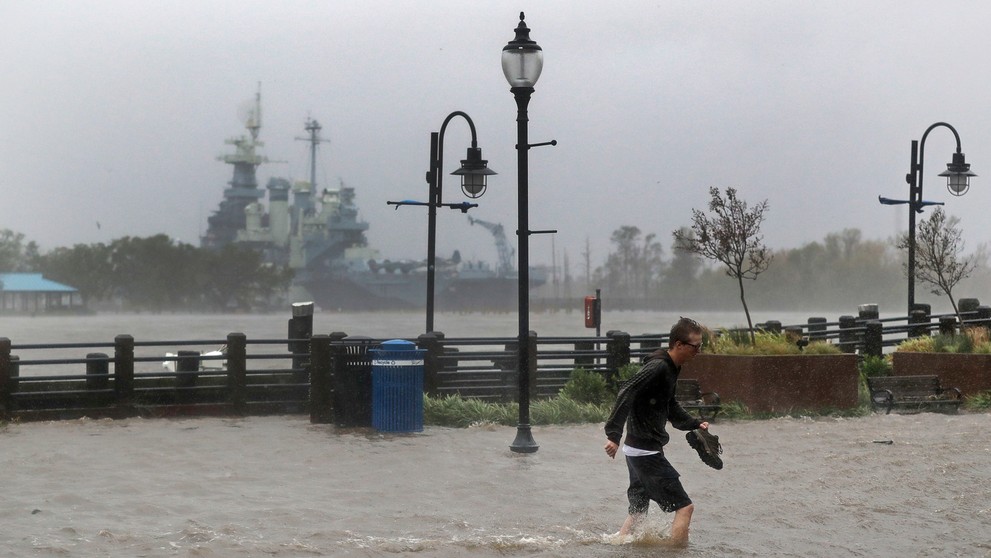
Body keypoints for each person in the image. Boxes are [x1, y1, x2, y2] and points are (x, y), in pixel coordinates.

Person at [603, 317, 709, 546]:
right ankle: (677, 553)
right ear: (679, 344)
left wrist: (694, 423)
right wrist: (613, 435)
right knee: (685, 508)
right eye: (696, 346)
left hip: (638, 450)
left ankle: (617, 545)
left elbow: (669, 404)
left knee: (638, 510)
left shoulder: (672, 367)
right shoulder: (658, 367)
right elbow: (626, 390)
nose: (699, 351)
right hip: (645, 452)